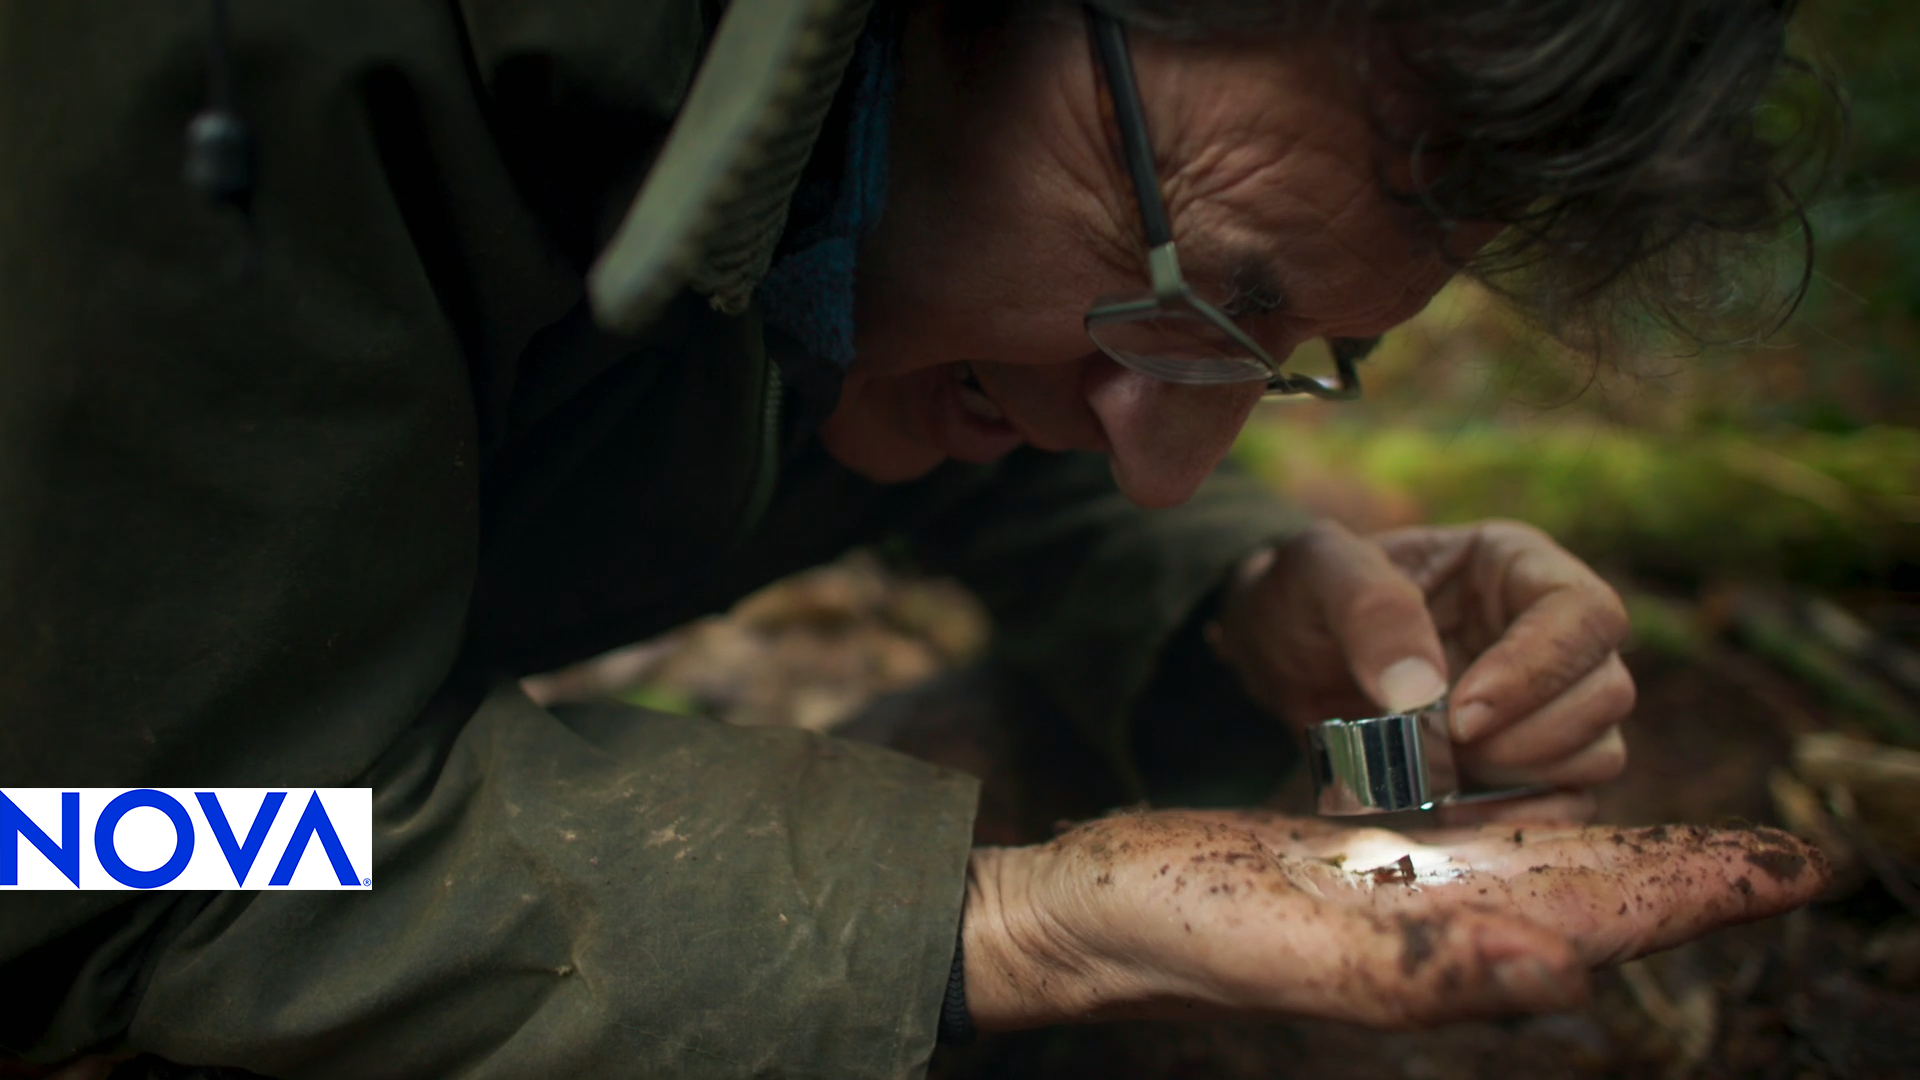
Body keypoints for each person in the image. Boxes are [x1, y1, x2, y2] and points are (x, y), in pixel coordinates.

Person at [0, 0, 1830, 1077]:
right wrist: (1005, 919)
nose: (1173, 463)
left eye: (1277, 361)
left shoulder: (840, 175)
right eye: (1195, 296)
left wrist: (1229, 597)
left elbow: (786, 380)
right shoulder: (229, 79)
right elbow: (109, 845)